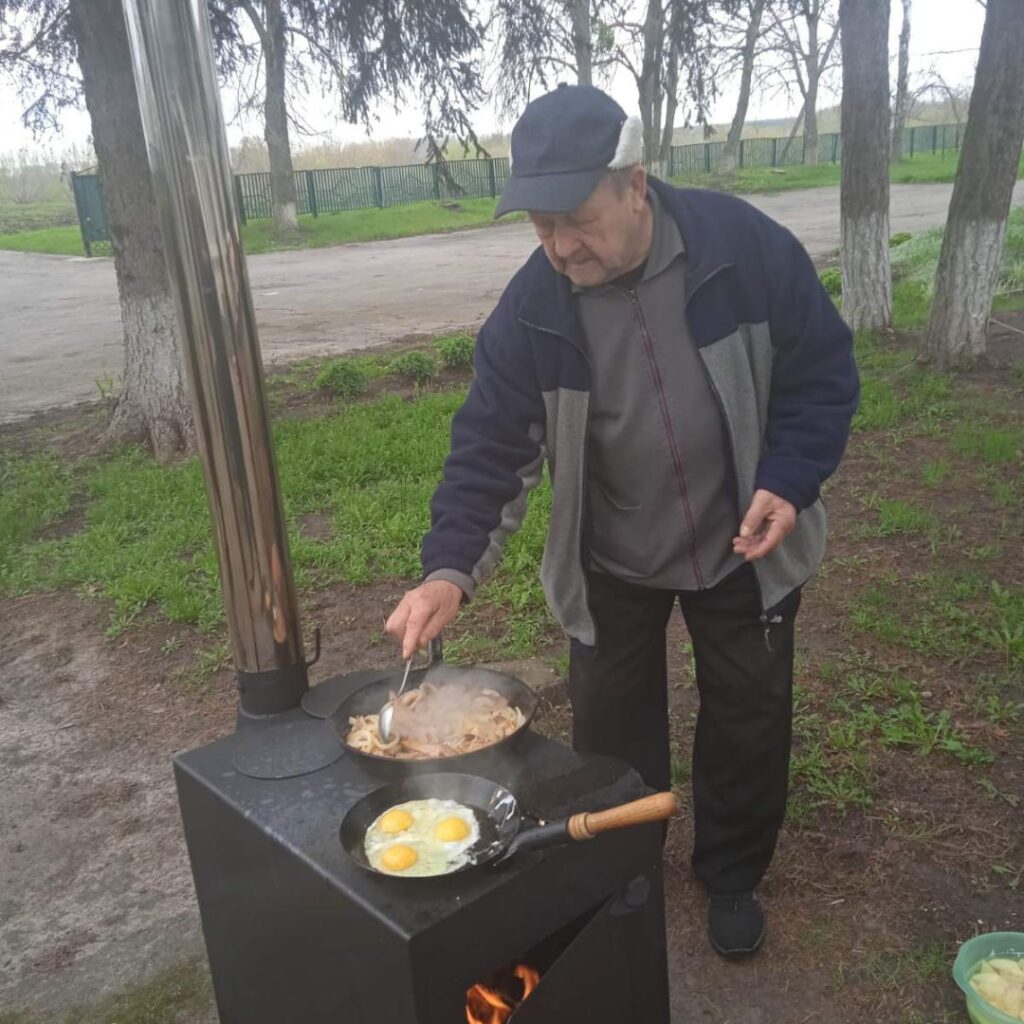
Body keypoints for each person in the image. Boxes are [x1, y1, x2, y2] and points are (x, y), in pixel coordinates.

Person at [385, 84, 858, 957]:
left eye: (578, 219)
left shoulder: (741, 250)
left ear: (635, 184)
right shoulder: (534, 307)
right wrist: (449, 568)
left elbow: (822, 373)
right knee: (610, 740)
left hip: (741, 544)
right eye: (539, 226)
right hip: (612, 556)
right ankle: (620, 871)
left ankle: (730, 876)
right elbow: (489, 445)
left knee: (748, 718)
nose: (562, 246)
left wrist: (788, 480)